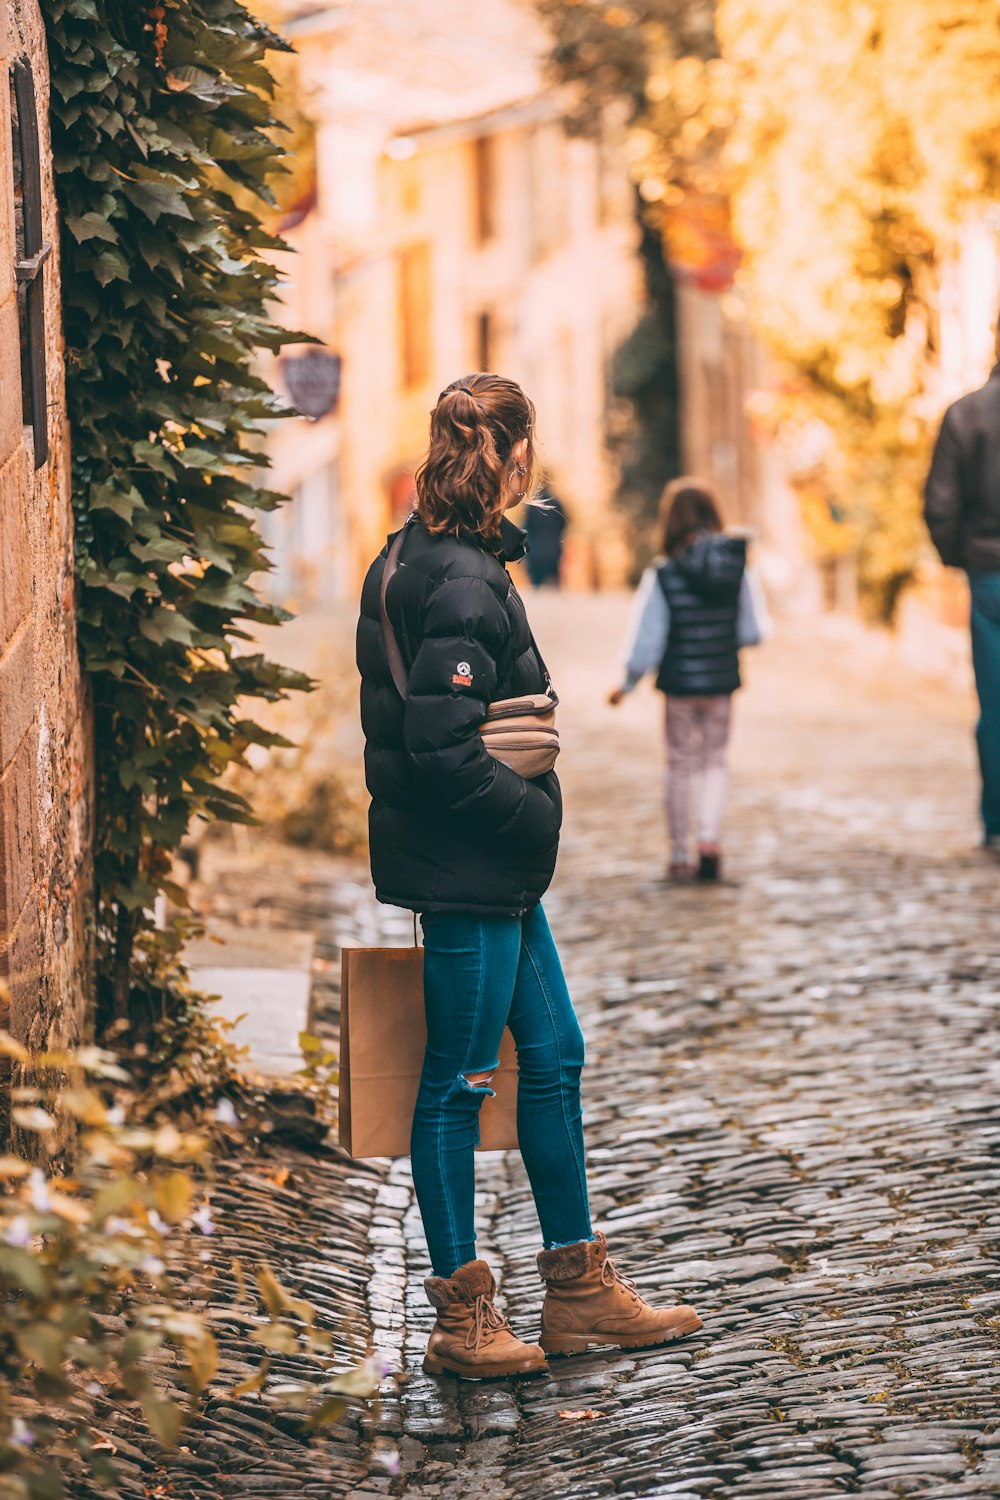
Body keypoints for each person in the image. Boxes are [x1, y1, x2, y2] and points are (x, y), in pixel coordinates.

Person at [356, 374, 703, 1380]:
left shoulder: (423, 553)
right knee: (456, 1083)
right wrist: (534, 826)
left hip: (489, 869)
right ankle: (463, 1319)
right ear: (514, 458)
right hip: (472, 869)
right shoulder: (460, 576)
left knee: (552, 1053)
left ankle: (578, 1291)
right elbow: (442, 748)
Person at [609, 477, 768, 883]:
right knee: (715, 761)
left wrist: (627, 683)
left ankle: (680, 852)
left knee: (680, 764)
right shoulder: (738, 567)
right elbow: (752, 631)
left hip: (679, 686)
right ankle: (710, 841)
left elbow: (648, 639)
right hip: (721, 682)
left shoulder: (663, 572)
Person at [924, 345, 1000, 854]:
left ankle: (997, 821)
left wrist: (962, 557)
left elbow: (940, 505)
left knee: (994, 704)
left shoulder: (965, 413)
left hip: (989, 575)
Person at [523, 479, 568, 587]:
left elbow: (527, 526)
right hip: (553, 550)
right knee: (555, 584)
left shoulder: (532, 506)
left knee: (536, 584)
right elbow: (564, 524)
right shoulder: (557, 504)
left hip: (536, 551)